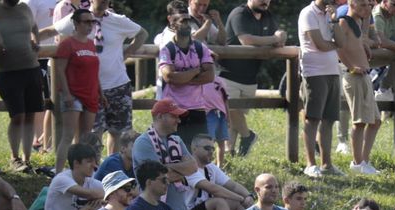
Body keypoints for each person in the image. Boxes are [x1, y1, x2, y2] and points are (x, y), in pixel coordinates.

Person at [221, 0, 284, 157]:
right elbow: (246, 40)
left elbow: (280, 40)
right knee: (229, 110)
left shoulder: (267, 16)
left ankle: (229, 154)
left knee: (235, 120)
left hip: (250, 77)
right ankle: (248, 136)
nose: (265, 1)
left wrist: (281, 35)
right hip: (227, 74)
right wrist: (274, 39)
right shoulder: (239, 13)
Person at [89, 0, 147, 154]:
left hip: (118, 84)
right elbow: (54, 31)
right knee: (94, 133)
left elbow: (142, 34)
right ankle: (93, 166)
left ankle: (113, 165)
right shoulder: (80, 19)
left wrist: (126, 53)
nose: (104, 1)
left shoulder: (118, 20)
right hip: (90, 86)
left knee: (119, 133)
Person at [132, 99, 200, 210]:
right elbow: (157, 177)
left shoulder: (177, 140)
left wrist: (166, 166)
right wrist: (180, 172)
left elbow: (193, 167)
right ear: (160, 116)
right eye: (174, 116)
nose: (179, 120)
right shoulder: (143, 142)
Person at [0, 0, 41, 172]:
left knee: (30, 114)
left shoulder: (24, 8)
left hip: (31, 67)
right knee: (17, 115)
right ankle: (15, 157)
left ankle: (27, 159)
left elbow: (34, 27)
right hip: (6, 71)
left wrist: (36, 41)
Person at [158, 3, 216, 147]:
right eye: (182, 21)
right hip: (173, 109)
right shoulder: (167, 49)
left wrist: (182, 78)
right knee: (174, 150)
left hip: (197, 107)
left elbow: (210, 76)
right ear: (173, 24)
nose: (187, 24)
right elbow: (169, 77)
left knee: (201, 150)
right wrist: (195, 71)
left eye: (188, 20)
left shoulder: (200, 48)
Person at [335, 0, 382, 174]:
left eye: (369, 5)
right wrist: (352, 66)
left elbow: (355, 42)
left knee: (375, 121)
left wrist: (364, 46)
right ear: (351, 4)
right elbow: (338, 47)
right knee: (360, 122)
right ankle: (357, 163)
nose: (367, 8)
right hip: (353, 76)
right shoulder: (344, 21)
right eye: (362, 5)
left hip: (365, 75)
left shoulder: (359, 22)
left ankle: (364, 161)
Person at [299, 0, 342, 178]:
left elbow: (342, 41)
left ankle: (327, 165)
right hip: (314, 73)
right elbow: (320, 45)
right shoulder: (308, 13)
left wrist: (335, 20)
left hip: (333, 72)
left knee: (329, 120)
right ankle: (310, 164)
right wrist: (335, 44)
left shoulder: (330, 14)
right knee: (312, 119)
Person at [53, 9, 100, 173]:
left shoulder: (91, 44)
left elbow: (95, 71)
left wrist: (100, 92)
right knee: (68, 136)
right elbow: (59, 70)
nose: (90, 25)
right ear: (76, 23)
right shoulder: (67, 44)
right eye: (86, 22)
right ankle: (58, 173)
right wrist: (66, 94)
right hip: (73, 95)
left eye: (92, 22)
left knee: (85, 138)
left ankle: (82, 173)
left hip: (91, 94)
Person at [187, 134, 253, 210]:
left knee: (237, 202)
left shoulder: (210, 167)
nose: (211, 151)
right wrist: (240, 197)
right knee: (219, 202)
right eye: (207, 148)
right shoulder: (188, 167)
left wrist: (248, 196)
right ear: (194, 149)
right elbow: (214, 189)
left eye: (213, 149)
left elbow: (233, 185)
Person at [45, 143, 103, 210]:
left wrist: (103, 199)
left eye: (94, 161)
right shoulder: (61, 179)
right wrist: (102, 197)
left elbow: (112, 194)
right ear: (76, 163)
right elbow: (89, 194)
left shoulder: (91, 182)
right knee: (92, 207)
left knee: (104, 205)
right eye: (89, 161)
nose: (94, 165)